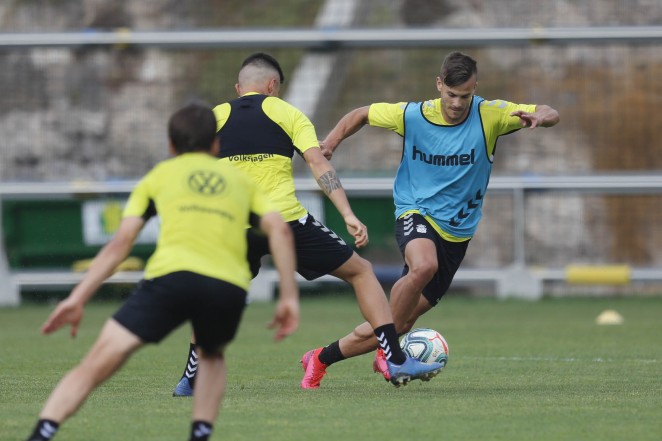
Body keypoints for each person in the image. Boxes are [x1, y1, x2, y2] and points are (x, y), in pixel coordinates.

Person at [25, 103, 301, 441]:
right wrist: (288, 294)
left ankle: (42, 432)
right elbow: (281, 231)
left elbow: (120, 244)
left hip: (170, 279)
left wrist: (77, 298)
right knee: (212, 355)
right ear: (216, 145)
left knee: (97, 362)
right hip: (226, 286)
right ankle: (200, 433)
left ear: (171, 146)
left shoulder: (159, 176)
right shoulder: (239, 182)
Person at [172, 53, 443, 395]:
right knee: (360, 272)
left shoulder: (212, 118)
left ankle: (190, 378)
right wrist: (347, 214)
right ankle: (395, 358)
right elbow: (318, 164)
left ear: (239, 88)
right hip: (284, 223)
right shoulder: (287, 112)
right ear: (273, 86)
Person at [302, 51, 560, 385]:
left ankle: (320, 359)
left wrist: (543, 117)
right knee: (424, 267)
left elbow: (548, 111)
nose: (456, 103)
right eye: (451, 94)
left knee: (399, 323)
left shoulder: (491, 115)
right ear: (439, 85)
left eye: (464, 96)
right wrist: (331, 142)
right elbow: (361, 114)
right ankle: (389, 355)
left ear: (475, 88)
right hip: (415, 210)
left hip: (457, 234)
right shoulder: (412, 115)